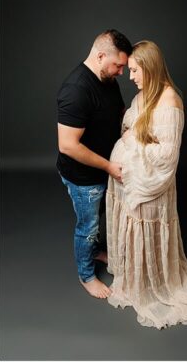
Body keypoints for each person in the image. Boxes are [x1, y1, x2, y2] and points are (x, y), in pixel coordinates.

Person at [105, 40, 187, 328]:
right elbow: (128, 124)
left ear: (150, 69)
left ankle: (151, 280)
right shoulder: (143, 96)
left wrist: (134, 142)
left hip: (150, 181)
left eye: (135, 70)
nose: (130, 76)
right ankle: (131, 270)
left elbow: (166, 155)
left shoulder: (169, 102)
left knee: (144, 216)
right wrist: (132, 136)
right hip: (127, 174)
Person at [56, 29, 131, 299]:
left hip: (103, 169)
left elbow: (119, 112)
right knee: (87, 226)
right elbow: (67, 145)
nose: (122, 72)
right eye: (118, 65)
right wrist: (110, 167)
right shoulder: (76, 89)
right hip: (84, 176)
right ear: (100, 56)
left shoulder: (108, 78)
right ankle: (86, 275)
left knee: (97, 220)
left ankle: (96, 250)